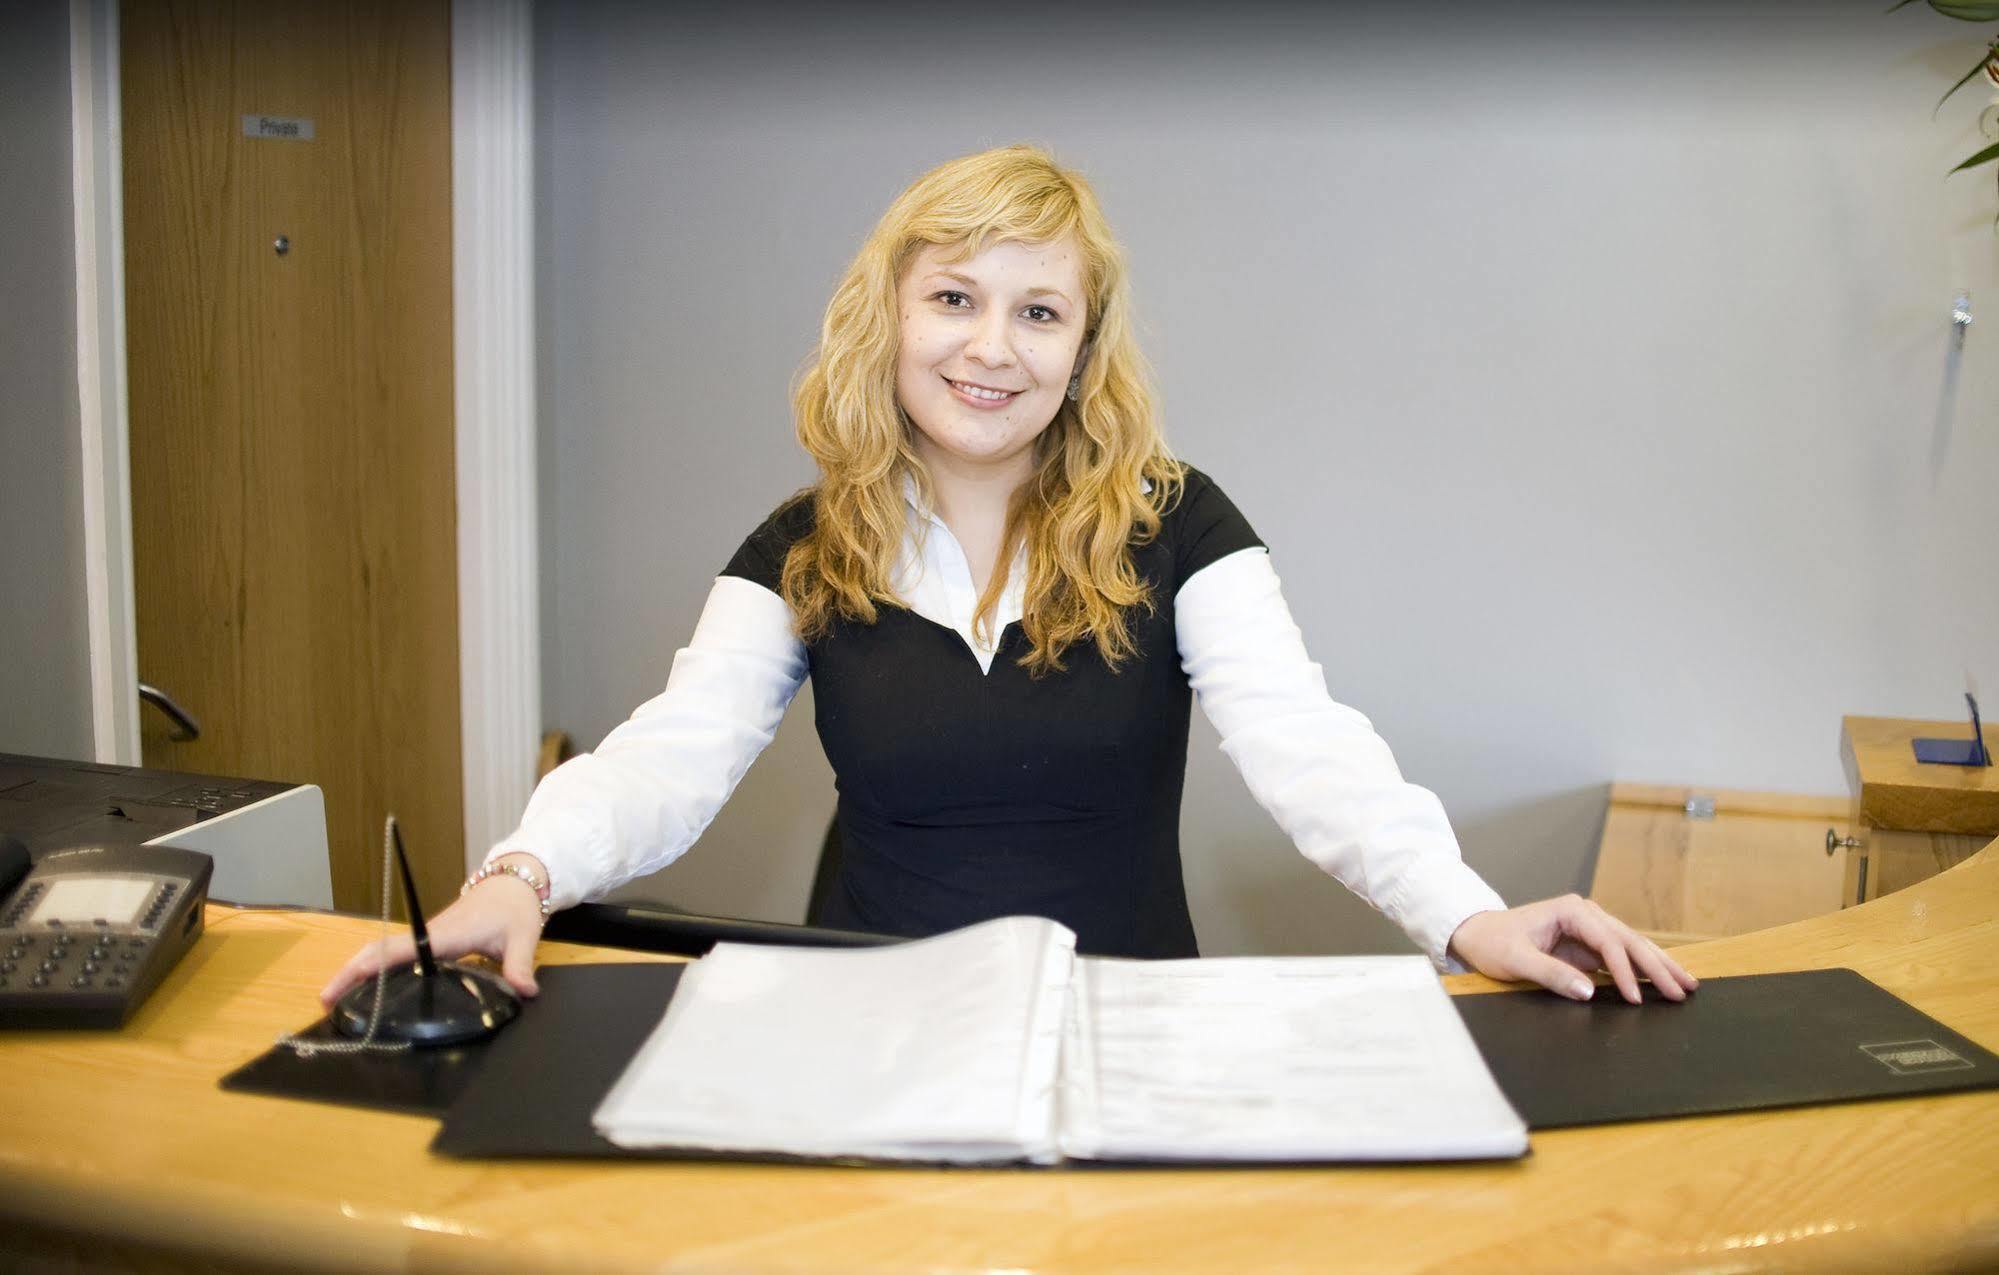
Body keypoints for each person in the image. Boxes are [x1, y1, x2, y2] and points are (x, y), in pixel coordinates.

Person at [323, 143, 1695, 1013]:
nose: (993, 347)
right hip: (865, 1021)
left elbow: (1310, 750)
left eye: (1038, 310)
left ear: (1084, 346)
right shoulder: (804, 544)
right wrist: (519, 873)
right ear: (893, 318)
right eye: (954, 298)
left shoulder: (1184, 524)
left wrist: (1469, 914)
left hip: (1128, 1022)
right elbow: (673, 751)